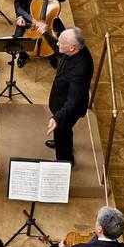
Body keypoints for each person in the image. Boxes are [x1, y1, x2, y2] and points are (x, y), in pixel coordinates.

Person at [35, 25, 93, 165]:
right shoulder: (73, 50)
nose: (58, 43)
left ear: (72, 48)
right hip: (61, 99)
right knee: (63, 132)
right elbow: (57, 47)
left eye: (61, 42)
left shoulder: (81, 69)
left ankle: (65, 160)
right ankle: (62, 143)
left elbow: (73, 102)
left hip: (68, 108)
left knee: (62, 130)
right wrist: (45, 33)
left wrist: (57, 118)